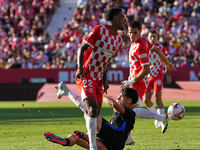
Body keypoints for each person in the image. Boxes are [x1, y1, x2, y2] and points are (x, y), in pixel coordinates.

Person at [57, 7, 127, 150]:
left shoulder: (118, 40)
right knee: (93, 108)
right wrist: (80, 69)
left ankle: (67, 92)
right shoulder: (99, 30)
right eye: (122, 17)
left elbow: (107, 60)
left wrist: (105, 79)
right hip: (87, 74)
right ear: (114, 19)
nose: (124, 20)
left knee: (94, 115)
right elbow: (81, 48)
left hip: (98, 78)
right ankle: (93, 146)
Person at [121, 21, 176, 144]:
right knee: (124, 108)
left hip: (138, 82)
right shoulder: (140, 42)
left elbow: (146, 69)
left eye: (134, 32)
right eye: (130, 32)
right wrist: (167, 63)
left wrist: (130, 80)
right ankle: (128, 137)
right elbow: (156, 50)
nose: (132, 35)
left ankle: (160, 118)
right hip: (134, 80)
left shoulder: (141, 46)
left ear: (140, 32)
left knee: (129, 109)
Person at [44, 87, 138, 150]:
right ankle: (66, 141)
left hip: (117, 140)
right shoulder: (118, 116)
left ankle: (67, 92)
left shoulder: (130, 113)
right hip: (109, 146)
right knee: (77, 136)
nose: (118, 97)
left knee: (92, 114)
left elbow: (113, 103)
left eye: (122, 96)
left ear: (129, 101)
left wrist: (97, 95)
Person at [144, 30, 171, 128]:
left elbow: (168, 61)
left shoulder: (161, 48)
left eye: (154, 37)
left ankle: (163, 120)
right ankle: (157, 117)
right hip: (147, 77)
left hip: (158, 76)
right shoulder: (145, 47)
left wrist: (168, 75)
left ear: (157, 38)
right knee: (146, 100)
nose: (152, 39)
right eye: (150, 37)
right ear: (148, 37)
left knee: (157, 97)